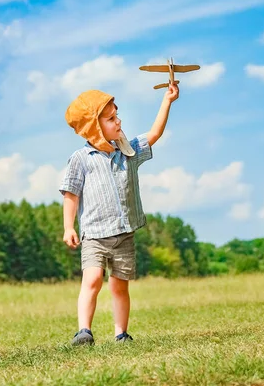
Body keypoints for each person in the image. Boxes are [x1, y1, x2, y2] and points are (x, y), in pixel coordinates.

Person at [59, 82, 179, 346]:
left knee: (119, 285)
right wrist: (69, 227)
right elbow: (71, 194)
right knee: (92, 280)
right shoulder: (82, 158)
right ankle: (84, 331)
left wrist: (167, 101)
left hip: (123, 234)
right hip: (95, 235)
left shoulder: (128, 152)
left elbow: (155, 133)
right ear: (94, 127)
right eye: (111, 118)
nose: (118, 121)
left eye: (117, 115)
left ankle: (121, 333)